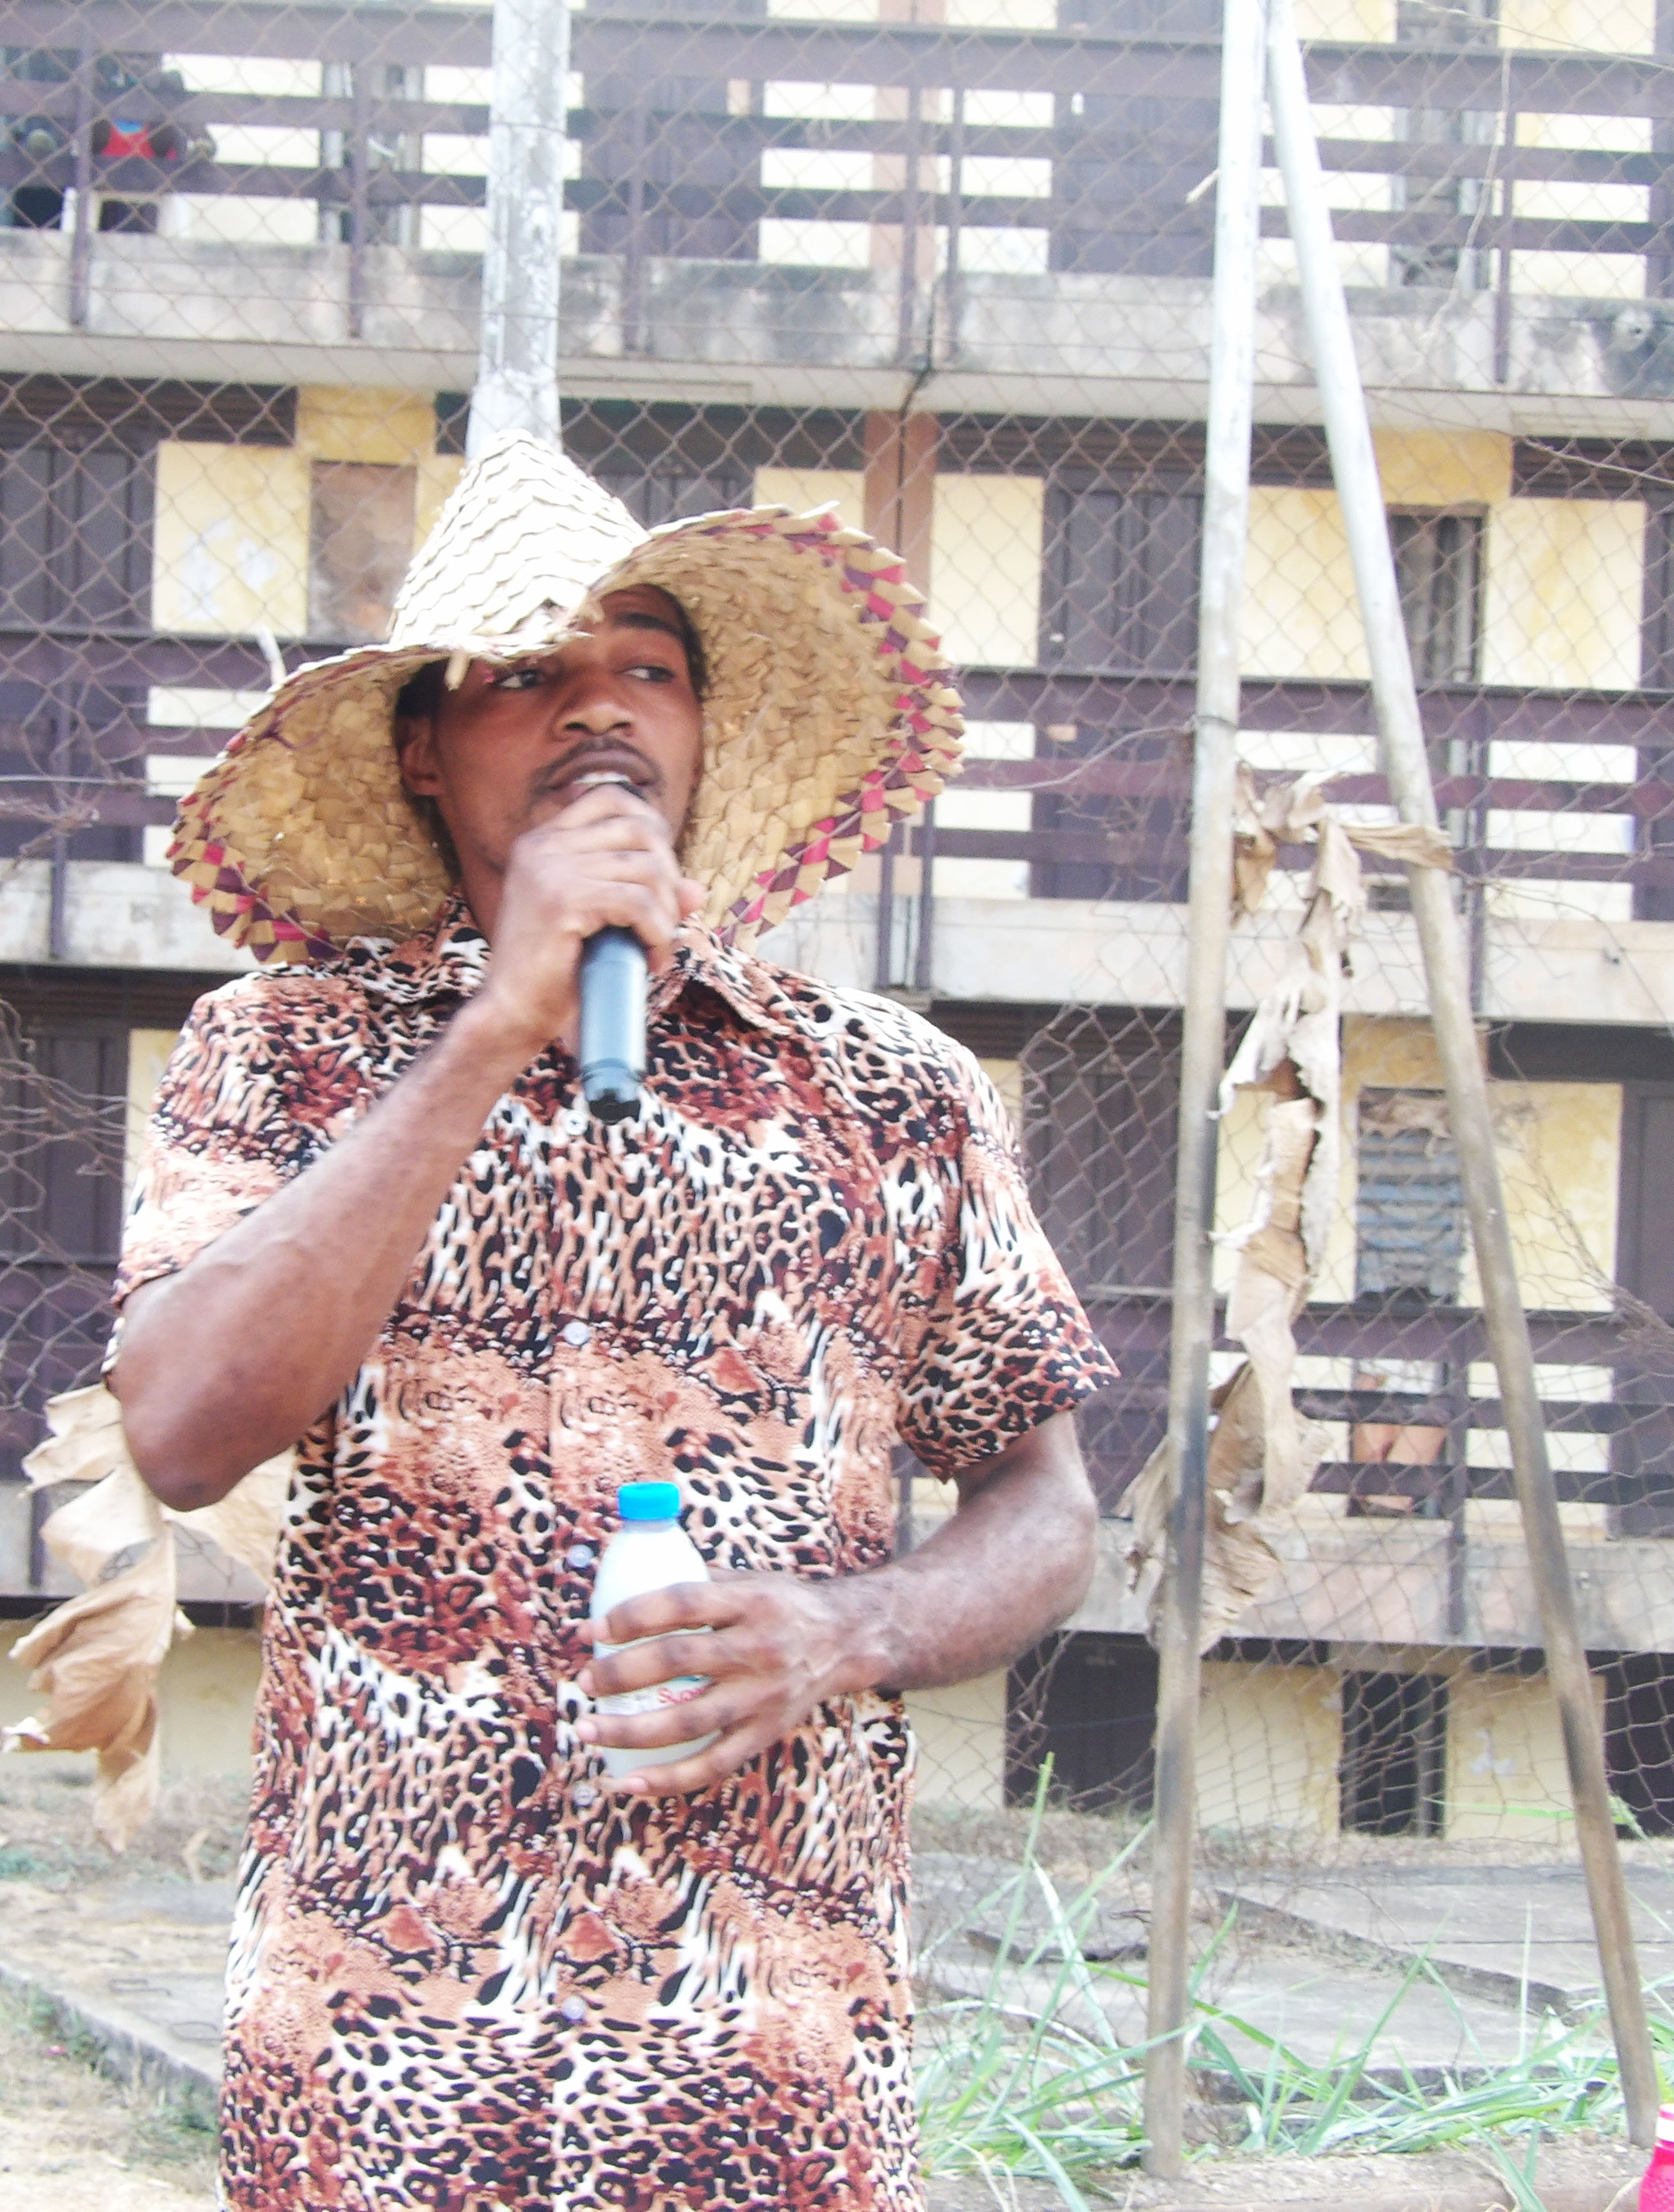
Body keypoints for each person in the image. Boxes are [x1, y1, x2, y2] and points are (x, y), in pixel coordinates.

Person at [108, 435, 1115, 2211]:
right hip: (383, 2053)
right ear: (425, 752)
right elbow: (184, 1427)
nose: (598, 712)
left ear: (704, 732)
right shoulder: (279, 1058)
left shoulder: (891, 1091)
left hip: (763, 2053)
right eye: (527, 675)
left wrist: (844, 1631)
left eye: (645, 667)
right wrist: (496, 1022)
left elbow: (1045, 1506)